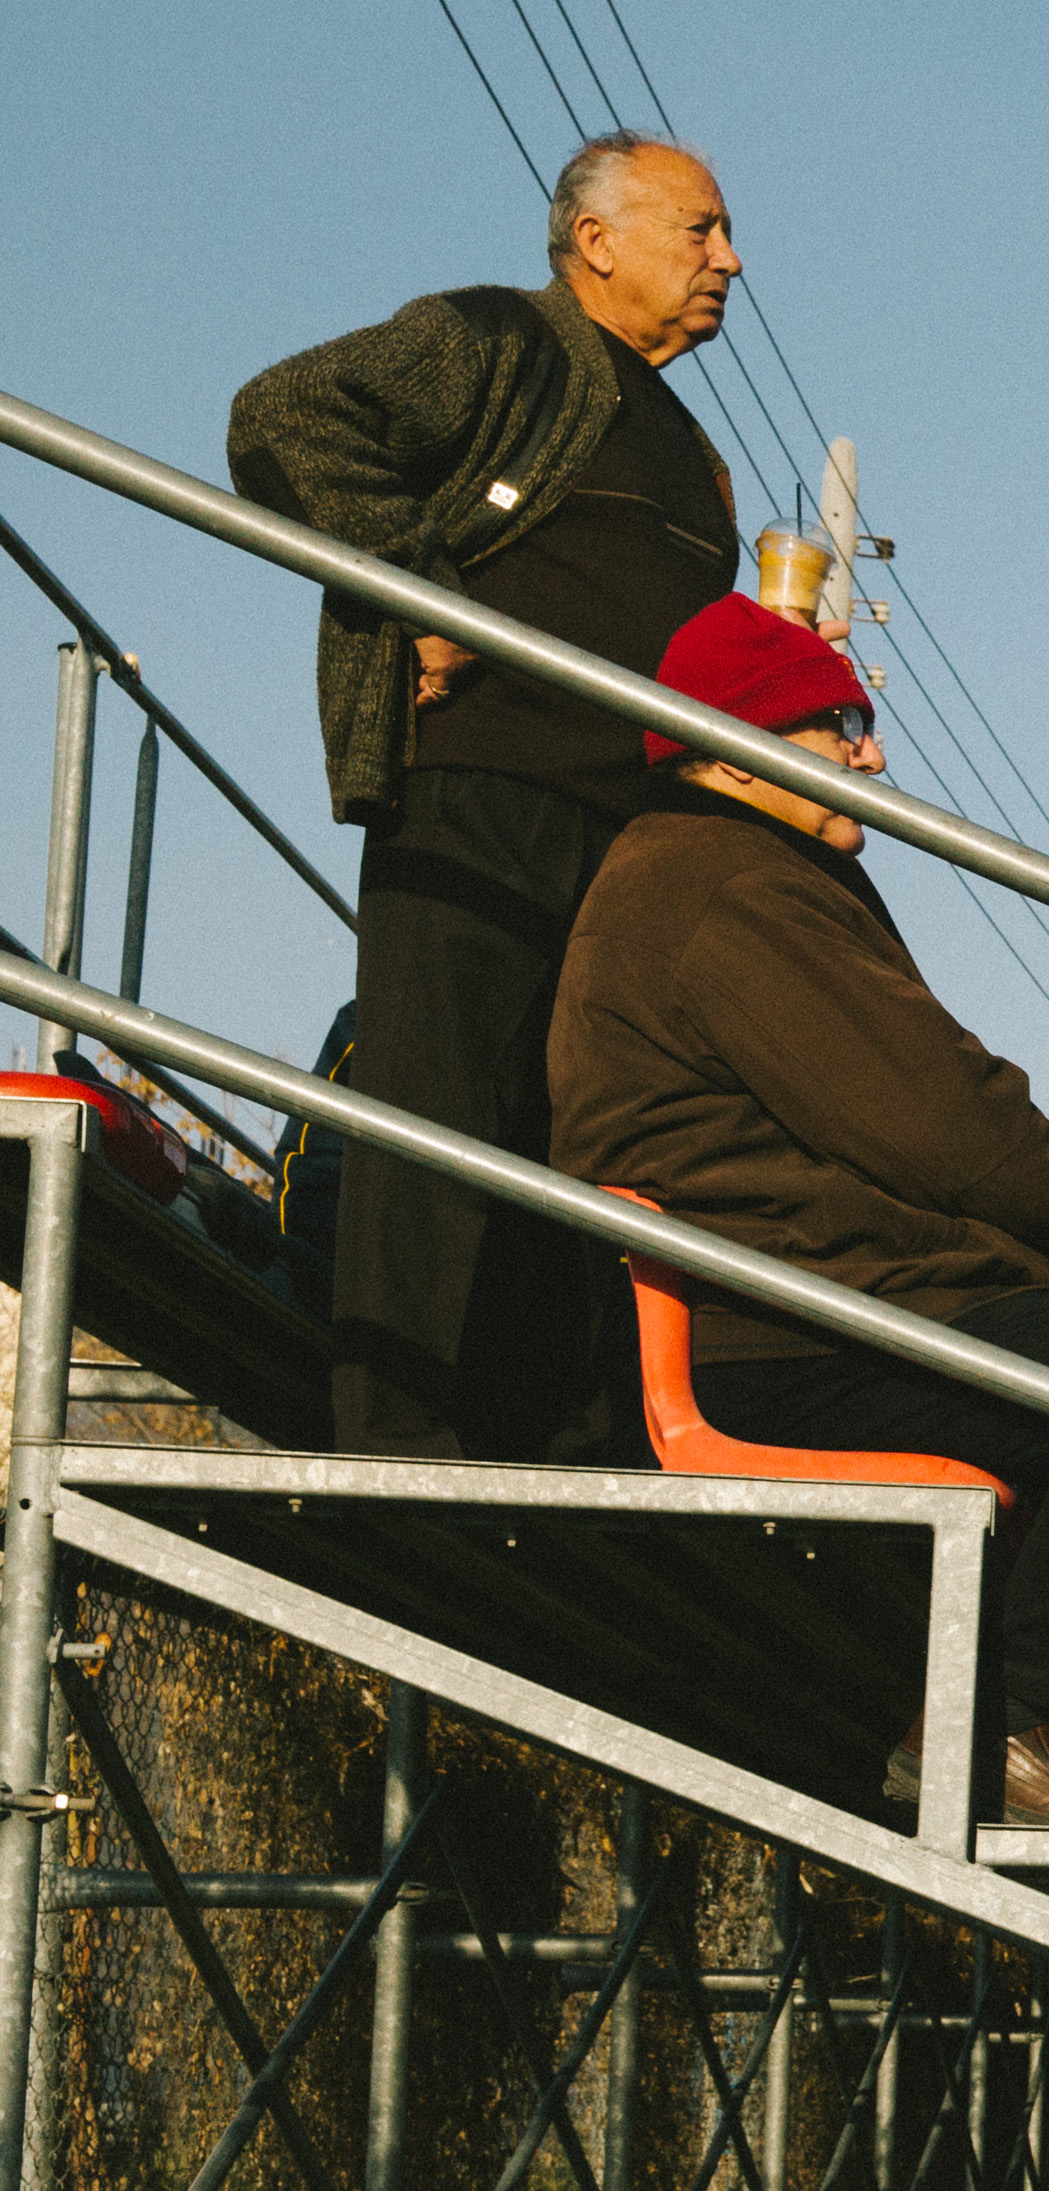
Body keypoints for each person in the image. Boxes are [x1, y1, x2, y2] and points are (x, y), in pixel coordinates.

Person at [548, 597, 1049, 1826]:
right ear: (738, 749)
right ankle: (1005, 1731)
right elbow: (935, 1114)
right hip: (791, 1328)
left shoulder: (730, 869)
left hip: (826, 1298)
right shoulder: (731, 884)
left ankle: (1035, 1725)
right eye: (838, 728)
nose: (872, 757)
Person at [232, 132, 749, 1461]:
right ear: (598, 241)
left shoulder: (697, 455)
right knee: (438, 1110)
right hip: (480, 787)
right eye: (699, 229)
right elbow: (287, 412)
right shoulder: (499, 341)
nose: (729, 260)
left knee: (586, 1143)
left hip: (635, 841)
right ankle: (394, 1440)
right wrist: (417, 585)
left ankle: (553, 1455)